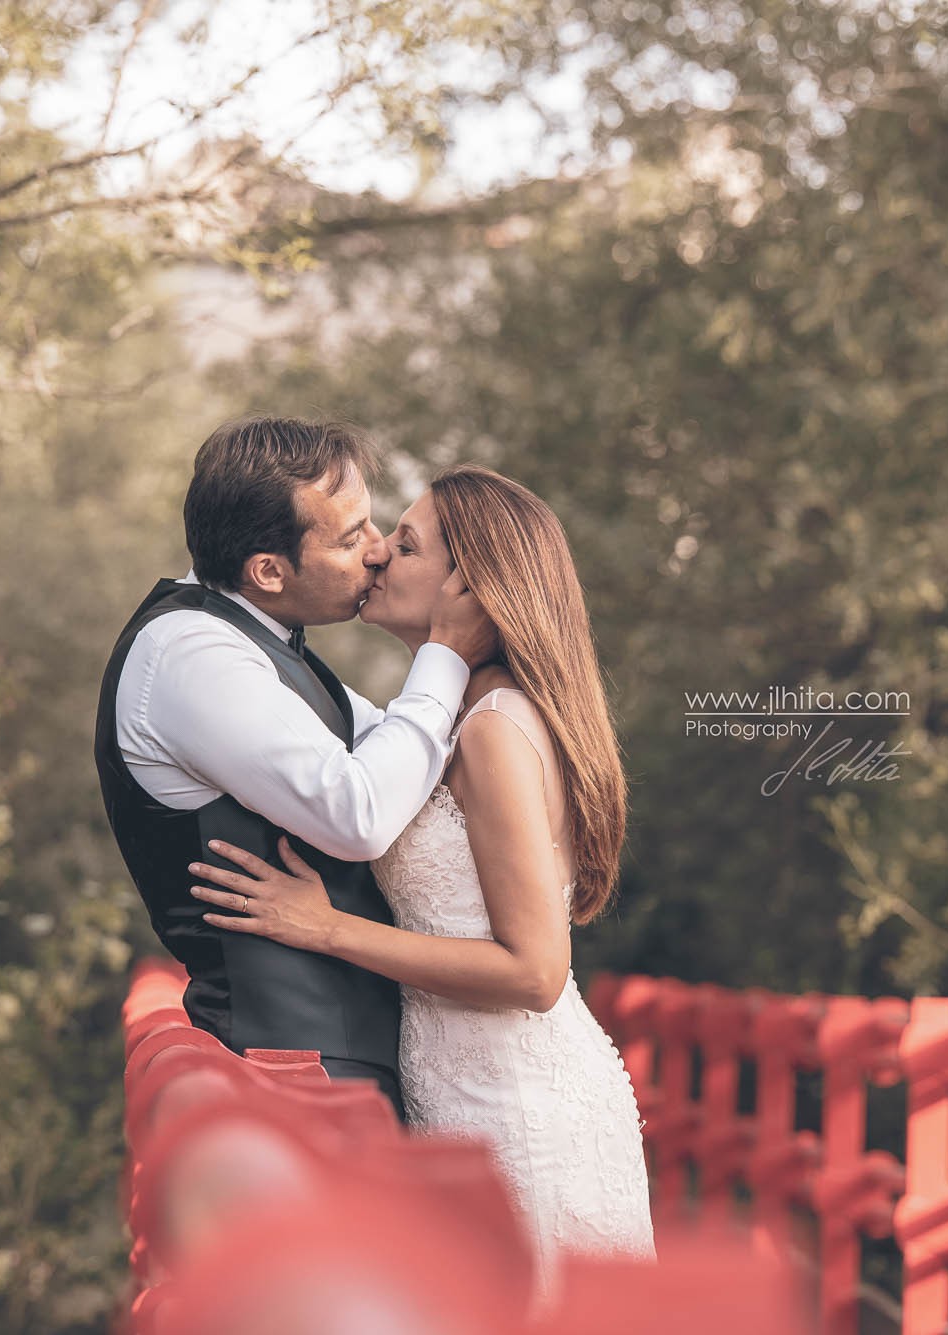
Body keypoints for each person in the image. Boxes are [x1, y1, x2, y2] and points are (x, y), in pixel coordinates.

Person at [183, 464, 657, 1283]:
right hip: (458, 1104)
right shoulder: (445, 720)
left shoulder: (494, 728)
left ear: (468, 587)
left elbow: (536, 970)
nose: (375, 555)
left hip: (522, 1117)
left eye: (404, 545)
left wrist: (326, 928)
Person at [93, 416, 497, 1120]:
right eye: (351, 537)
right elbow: (360, 813)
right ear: (269, 571)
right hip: (291, 1073)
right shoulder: (193, 655)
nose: (377, 551)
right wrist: (447, 653)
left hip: (330, 1065)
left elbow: (404, 750)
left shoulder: (261, 642)